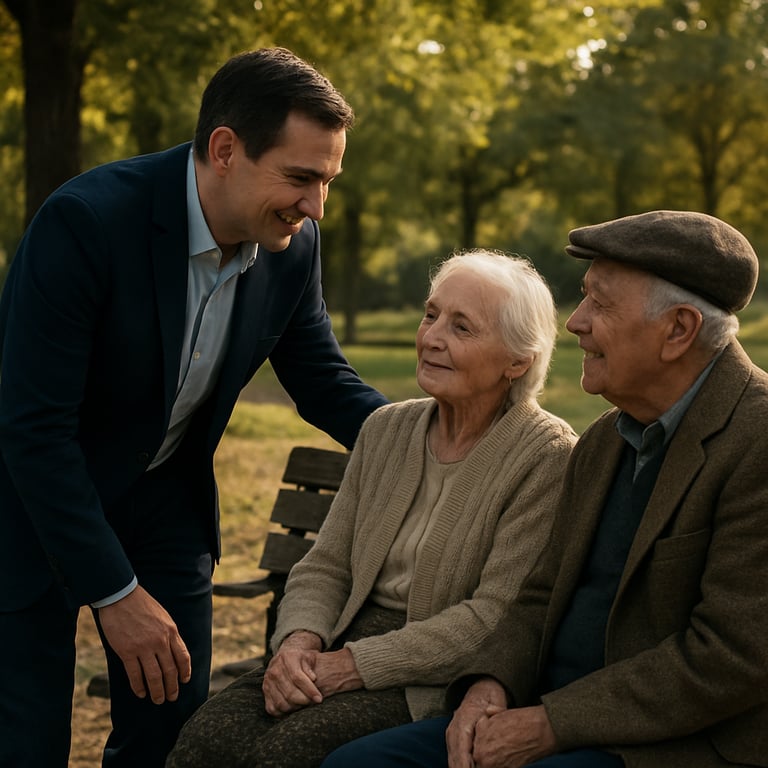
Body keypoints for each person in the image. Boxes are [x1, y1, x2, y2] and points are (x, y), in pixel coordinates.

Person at [0, 47, 390, 768]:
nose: (316, 208)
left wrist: (445, 436)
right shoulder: (85, 224)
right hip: (30, 506)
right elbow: (33, 430)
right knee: (25, 739)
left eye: (328, 182)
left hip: (166, 505)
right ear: (224, 151)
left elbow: (324, 382)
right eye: (301, 178)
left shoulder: (291, 249)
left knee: (174, 736)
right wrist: (116, 594)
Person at [322, 210, 768, 768]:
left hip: (663, 745)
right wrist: (490, 686)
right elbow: (538, 597)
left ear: (678, 330)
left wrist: (551, 724)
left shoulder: (756, 442)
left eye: (600, 304)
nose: (575, 323)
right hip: (542, 712)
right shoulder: (607, 437)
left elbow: (731, 657)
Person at [165, 249, 577, 768]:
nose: (431, 338)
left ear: (518, 360)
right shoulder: (387, 429)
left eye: (462, 327)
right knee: (207, 737)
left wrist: (352, 666)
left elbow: (490, 620)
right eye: (431, 315)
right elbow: (326, 564)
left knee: (286, 753)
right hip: (332, 645)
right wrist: (296, 645)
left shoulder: (546, 456)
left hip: (427, 673)